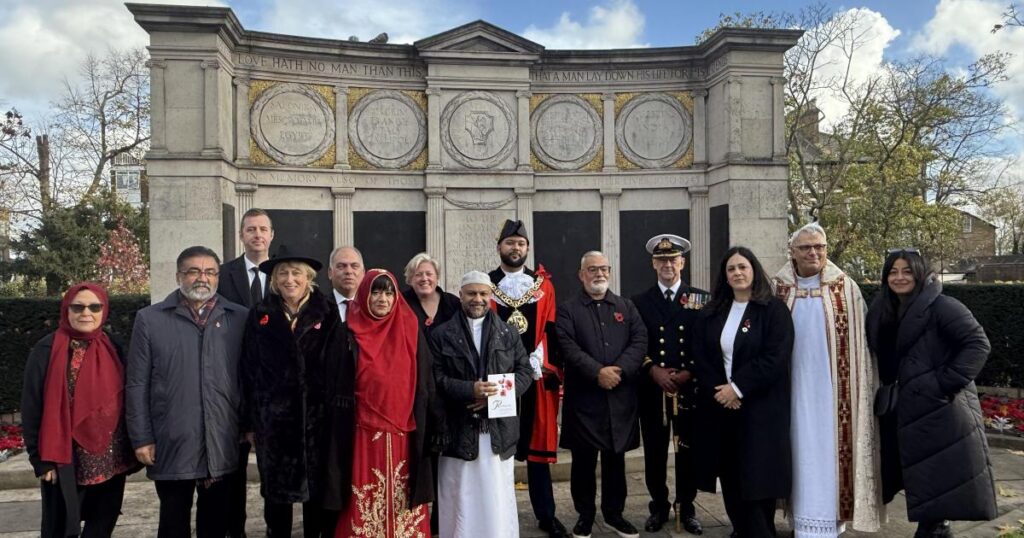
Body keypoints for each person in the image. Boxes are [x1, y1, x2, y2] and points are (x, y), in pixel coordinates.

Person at [865, 248, 996, 538]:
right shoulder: (883, 310)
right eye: (893, 271)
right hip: (901, 409)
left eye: (907, 271)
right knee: (922, 481)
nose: (899, 277)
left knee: (937, 487)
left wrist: (942, 384)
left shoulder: (943, 306)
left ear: (920, 273)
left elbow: (977, 345)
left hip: (939, 409)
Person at [126, 246, 248, 538]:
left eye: (209, 272)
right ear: (179, 275)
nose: (201, 278)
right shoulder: (150, 319)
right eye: (193, 271)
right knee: (173, 521)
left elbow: (249, 378)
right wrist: (142, 437)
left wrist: (248, 425)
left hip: (221, 438)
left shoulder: (240, 318)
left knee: (216, 522)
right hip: (172, 440)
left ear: (218, 277)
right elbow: (137, 383)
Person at [770, 222, 883, 537]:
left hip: (836, 393)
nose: (813, 252)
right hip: (792, 389)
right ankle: (800, 516)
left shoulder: (845, 287)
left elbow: (861, 347)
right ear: (792, 252)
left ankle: (832, 516)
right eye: (805, 247)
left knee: (832, 450)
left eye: (819, 246)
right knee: (797, 448)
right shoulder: (778, 288)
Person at [21, 282, 139, 538]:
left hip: (111, 459)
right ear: (67, 310)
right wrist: (40, 461)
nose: (87, 312)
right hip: (66, 458)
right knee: (62, 528)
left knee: (102, 524)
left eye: (94, 306)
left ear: (103, 310)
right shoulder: (46, 350)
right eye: (78, 306)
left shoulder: (114, 346)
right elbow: (31, 408)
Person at [692, 246, 794, 538]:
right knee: (732, 474)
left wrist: (738, 388)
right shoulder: (712, 312)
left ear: (754, 271)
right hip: (722, 408)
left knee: (758, 477)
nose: (737, 273)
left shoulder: (773, 310)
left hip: (761, 410)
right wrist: (723, 392)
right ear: (724, 276)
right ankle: (740, 529)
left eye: (742, 267)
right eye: (731, 269)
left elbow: (776, 356)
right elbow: (701, 355)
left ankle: (761, 532)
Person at [242, 254, 345, 537]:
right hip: (274, 423)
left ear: (308, 278)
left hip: (317, 420)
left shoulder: (326, 312)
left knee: (316, 495)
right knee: (277, 498)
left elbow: (336, 366)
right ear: (274, 280)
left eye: (296, 273)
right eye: (283, 274)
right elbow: (249, 370)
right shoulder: (260, 314)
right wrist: (250, 423)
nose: (290, 279)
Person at [431, 270, 535, 538]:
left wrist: (493, 397)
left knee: (496, 498)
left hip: (497, 430)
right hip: (457, 430)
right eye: (471, 293)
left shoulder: (508, 333)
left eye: (483, 294)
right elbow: (435, 378)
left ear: (491, 297)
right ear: (461, 295)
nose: (477, 299)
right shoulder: (441, 334)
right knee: (460, 498)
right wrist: (470, 390)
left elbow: (524, 372)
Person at [335, 269, 436, 537]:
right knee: (366, 495)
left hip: (405, 430)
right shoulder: (349, 332)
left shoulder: (410, 328)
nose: (382, 298)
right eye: (376, 291)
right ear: (365, 294)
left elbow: (425, 381)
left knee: (403, 496)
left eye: (389, 292)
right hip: (362, 431)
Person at [556, 251, 647, 538]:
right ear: (581, 274)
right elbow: (566, 346)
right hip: (585, 399)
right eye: (592, 269)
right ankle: (585, 516)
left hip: (619, 396)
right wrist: (598, 372)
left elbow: (639, 340)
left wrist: (618, 370)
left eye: (604, 269)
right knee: (583, 461)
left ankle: (614, 514)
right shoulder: (568, 310)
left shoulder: (626, 307)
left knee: (615, 460)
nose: (599, 274)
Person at [487, 219, 566, 538]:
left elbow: (551, 326)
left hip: (534, 374)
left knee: (536, 450)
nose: (515, 248)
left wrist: (541, 357)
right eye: (509, 243)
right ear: (499, 247)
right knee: (498, 449)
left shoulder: (543, 285)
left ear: (527, 248)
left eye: (520, 243)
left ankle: (546, 515)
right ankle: (496, 514)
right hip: (500, 377)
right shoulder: (487, 283)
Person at [631, 234, 707, 535]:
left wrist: (689, 371)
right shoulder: (639, 302)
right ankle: (659, 506)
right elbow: (636, 345)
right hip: (653, 391)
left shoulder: (700, 300)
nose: (667, 264)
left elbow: (706, 344)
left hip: (688, 390)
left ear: (682, 263)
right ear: (653, 263)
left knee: (687, 452)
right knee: (655, 452)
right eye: (661, 260)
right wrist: (653, 370)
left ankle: (686, 508)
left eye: (672, 259)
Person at [218, 207, 275, 538]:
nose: (257, 234)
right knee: (233, 474)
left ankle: (273, 530)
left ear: (272, 235)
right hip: (234, 386)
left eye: (263, 229)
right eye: (251, 229)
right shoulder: (224, 275)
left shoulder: (284, 275)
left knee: (272, 474)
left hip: (271, 390)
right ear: (241, 235)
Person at [403, 252, 461, 339]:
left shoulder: (453, 303)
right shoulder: (402, 303)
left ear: (437, 277)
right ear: (410, 279)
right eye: (418, 275)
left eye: (429, 274)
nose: (424, 279)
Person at [327, 246, 365, 322]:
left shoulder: (371, 308)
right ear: (330, 273)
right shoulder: (317, 308)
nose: (348, 271)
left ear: (363, 273)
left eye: (354, 266)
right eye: (341, 266)